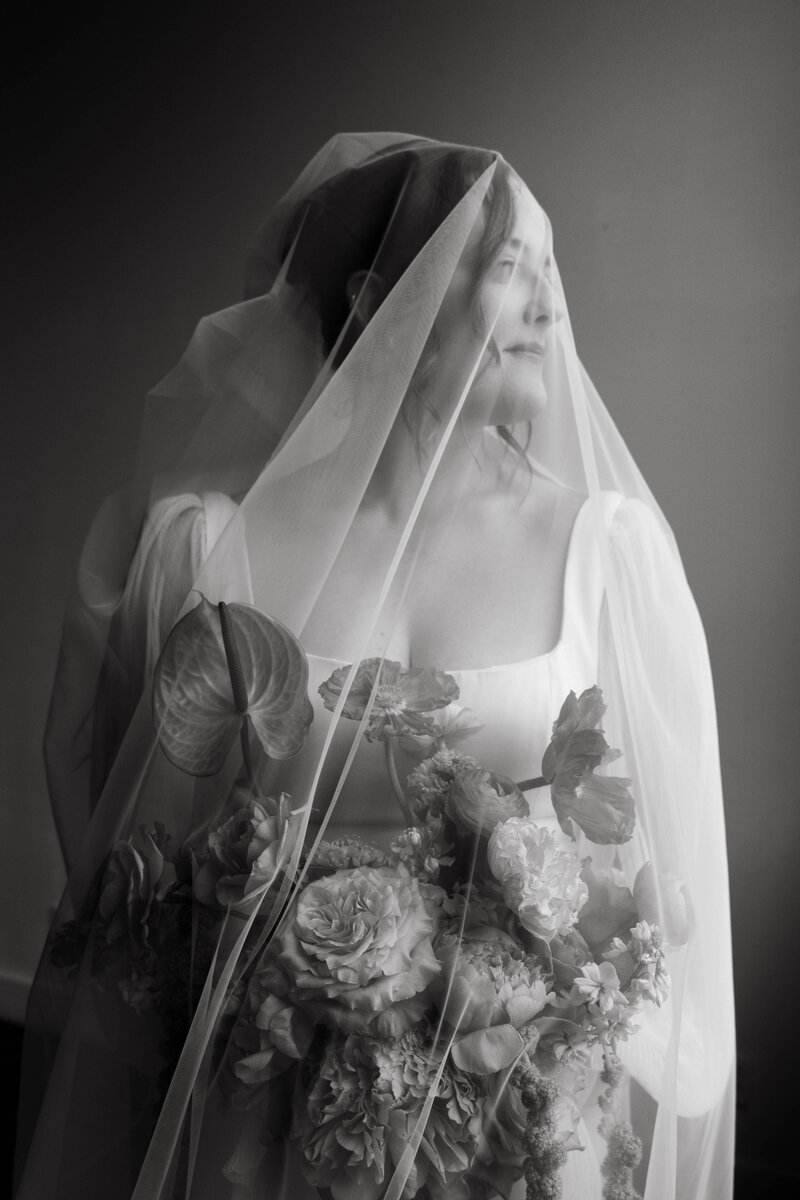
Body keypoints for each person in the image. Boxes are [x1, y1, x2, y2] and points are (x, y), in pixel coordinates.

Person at [15, 134, 735, 1200]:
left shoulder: (607, 555)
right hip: (268, 1121)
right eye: (509, 271)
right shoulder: (211, 552)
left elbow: (662, 880)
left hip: (513, 1127)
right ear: (381, 300)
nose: (549, 310)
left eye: (550, 272)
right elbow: (124, 836)